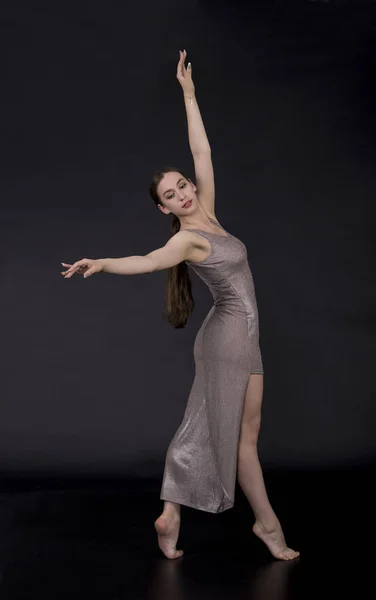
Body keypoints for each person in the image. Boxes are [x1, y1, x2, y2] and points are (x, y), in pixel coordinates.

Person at [61, 50, 300, 562]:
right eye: (172, 194)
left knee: (234, 433)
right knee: (237, 441)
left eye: (183, 185)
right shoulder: (185, 241)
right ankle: (268, 526)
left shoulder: (208, 212)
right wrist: (102, 262)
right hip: (228, 339)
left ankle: (172, 515)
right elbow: (148, 261)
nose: (184, 193)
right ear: (163, 208)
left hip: (244, 336)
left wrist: (189, 96)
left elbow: (203, 152)